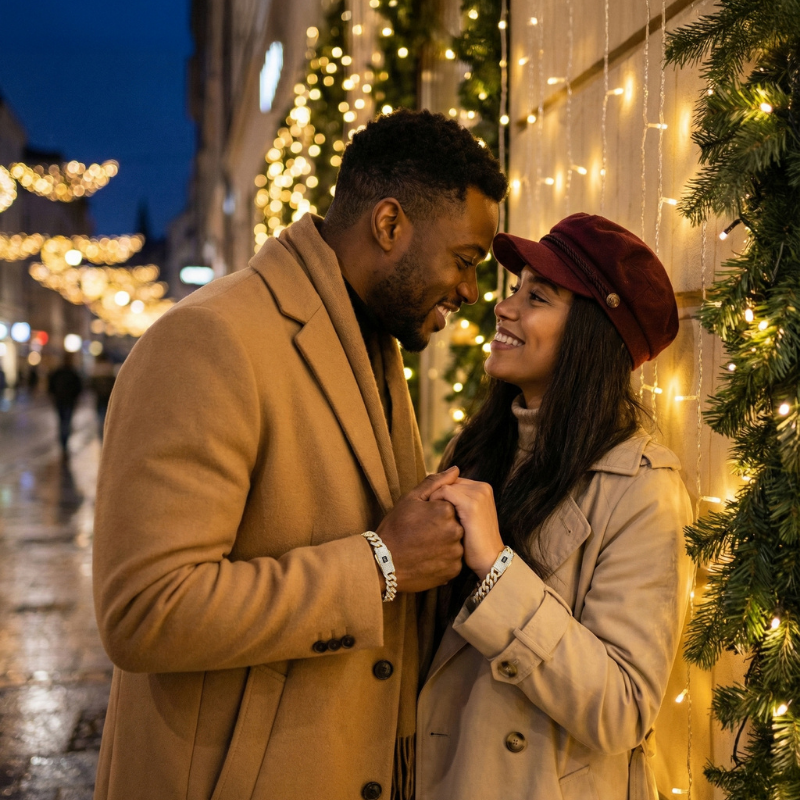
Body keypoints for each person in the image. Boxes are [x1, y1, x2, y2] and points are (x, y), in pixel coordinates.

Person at [92, 109, 507, 800]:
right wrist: (381, 562)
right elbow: (145, 611)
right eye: (464, 260)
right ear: (389, 224)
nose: (470, 290)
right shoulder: (210, 340)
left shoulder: (371, 336)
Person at [416, 214, 694, 800]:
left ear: (593, 335)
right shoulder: (476, 448)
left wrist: (498, 569)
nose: (504, 307)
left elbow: (623, 709)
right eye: (515, 289)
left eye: (537, 297)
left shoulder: (643, 488)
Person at [48, 353, 83, 456]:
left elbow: (51, 386)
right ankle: (64, 441)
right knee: (66, 422)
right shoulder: (72, 373)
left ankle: (63, 442)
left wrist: (53, 396)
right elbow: (79, 387)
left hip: (61, 400)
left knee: (62, 422)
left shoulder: (59, 372)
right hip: (67, 401)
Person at [89, 353, 116, 441]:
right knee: (107, 419)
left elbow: (91, 385)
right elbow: (114, 385)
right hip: (108, 398)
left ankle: (102, 438)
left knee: (100, 418)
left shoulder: (96, 371)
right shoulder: (109, 370)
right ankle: (106, 437)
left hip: (100, 398)